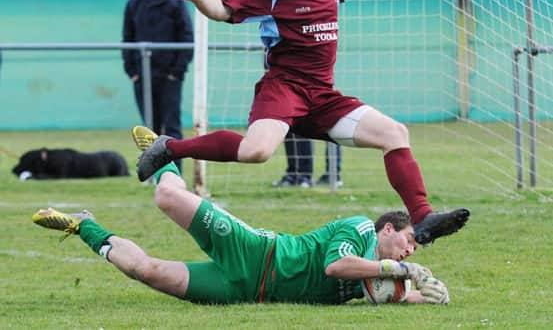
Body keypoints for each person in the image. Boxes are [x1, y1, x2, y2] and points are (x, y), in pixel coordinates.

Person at [137, 0, 470, 245]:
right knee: (257, 152)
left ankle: (422, 218)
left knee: (395, 133)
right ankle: (170, 148)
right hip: (284, 89)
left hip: (323, 96)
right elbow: (224, 10)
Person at [31, 126, 449, 305]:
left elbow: (384, 292)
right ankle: (164, 155)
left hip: (247, 291)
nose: (411, 248)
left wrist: (426, 298)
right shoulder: (360, 230)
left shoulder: (379, 274)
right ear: (387, 228)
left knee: (149, 271)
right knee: (168, 200)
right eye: (410, 239)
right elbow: (337, 266)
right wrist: (399, 267)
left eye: (414, 248)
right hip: (256, 252)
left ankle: (83, 225)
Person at [269, 0, 343, 189]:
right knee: (286, 127)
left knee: (322, 124)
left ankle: (323, 174)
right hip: (280, 75)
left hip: (310, 76)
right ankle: (295, 173)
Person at [122, 0, 194, 171]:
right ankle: (154, 173)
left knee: (171, 126)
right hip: (142, 75)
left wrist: (177, 71)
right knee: (148, 129)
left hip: (170, 75)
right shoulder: (135, 2)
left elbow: (187, 36)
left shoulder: (176, 2)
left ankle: (176, 173)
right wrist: (132, 71)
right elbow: (128, 37)